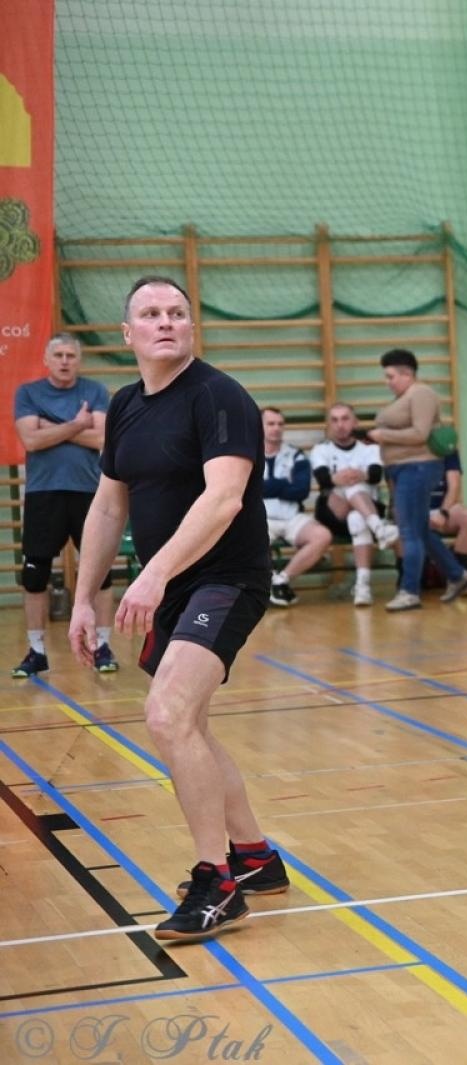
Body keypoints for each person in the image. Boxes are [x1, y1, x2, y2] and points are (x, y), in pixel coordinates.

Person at [69, 275, 290, 942]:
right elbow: (110, 504)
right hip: (167, 588)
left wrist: (155, 574)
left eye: (177, 313)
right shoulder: (127, 404)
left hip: (224, 579)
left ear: (191, 328)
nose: (165, 322)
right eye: (150, 314)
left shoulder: (220, 397)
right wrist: (83, 597)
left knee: (166, 713)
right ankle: (253, 857)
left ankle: (216, 882)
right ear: (128, 334)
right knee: (186, 720)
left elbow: (224, 498)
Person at [11, 333, 117, 676]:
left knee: (99, 574)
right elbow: (30, 439)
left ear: (79, 359)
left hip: (89, 492)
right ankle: (36, 651)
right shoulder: (28, 393)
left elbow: (101, 437)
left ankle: (101, 646)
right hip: (44, 493)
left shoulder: (95, 391)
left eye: (71, 354)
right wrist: (77, 425)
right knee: (35, 574)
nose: (65, 360)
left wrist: (50, 427)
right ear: (47, 358)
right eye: (58, 354)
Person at [368, 349, 467, 611]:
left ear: (407, 373)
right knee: (420, 530)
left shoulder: (422, 394)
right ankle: (458, 574)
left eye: (391, 376)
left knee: (409, 533)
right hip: (403, 469)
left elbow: (420, 433)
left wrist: (383, 436)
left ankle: (410, 591)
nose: (388, 382)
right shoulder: (405, 397)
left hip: (417, 468)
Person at [311, 403, 394, 607]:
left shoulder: (370, 448)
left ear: (355, 422)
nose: (340, 425)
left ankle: (363, 586)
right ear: (329, 425)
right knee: (353, 487)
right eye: (335, 420)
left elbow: (375, 476)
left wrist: (356, 476)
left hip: (364, 510)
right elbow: (324, 480)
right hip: (333, 513)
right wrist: (355, 476)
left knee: (357, 517)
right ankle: (380, 528)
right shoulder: (321, 450)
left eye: (345, 418)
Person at [261, 407, 333, 607]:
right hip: (260, 516)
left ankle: (281, 580)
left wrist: (267, 487)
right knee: (248, 537)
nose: (276, 428)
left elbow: (301, 491)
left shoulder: (296, 455)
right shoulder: (248, 453)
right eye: (271, 424)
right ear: (260, 426)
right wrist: (284, 484)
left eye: (280, 424)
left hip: (292, 515)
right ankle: (268, 582)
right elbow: (247, 490)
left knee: (322, 536)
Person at [426, 449, 467, 583]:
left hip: (442, 509)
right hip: (416, 511)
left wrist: (443, 513)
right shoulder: (406, 450)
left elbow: (454, 486)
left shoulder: (446, 447)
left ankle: (461, 577)